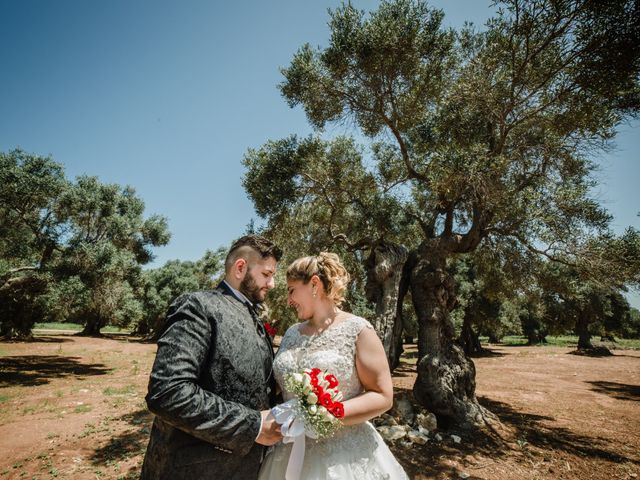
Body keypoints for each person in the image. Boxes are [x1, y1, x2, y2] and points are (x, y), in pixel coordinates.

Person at [141, 235, 284, 480]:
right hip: (195, 471)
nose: (271, 284)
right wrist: (253, 426)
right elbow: (168, 392)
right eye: (266, 274)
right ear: (240, 268)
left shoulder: (254, 317)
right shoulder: (197, 306)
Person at [258, 252, 408, 480]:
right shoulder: (290, 333)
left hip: (344, 457)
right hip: (288, 449)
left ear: (314, 284)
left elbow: (382, 395)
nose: (289, 300)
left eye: (291, 290)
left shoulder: (358, 330)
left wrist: (325, 414)